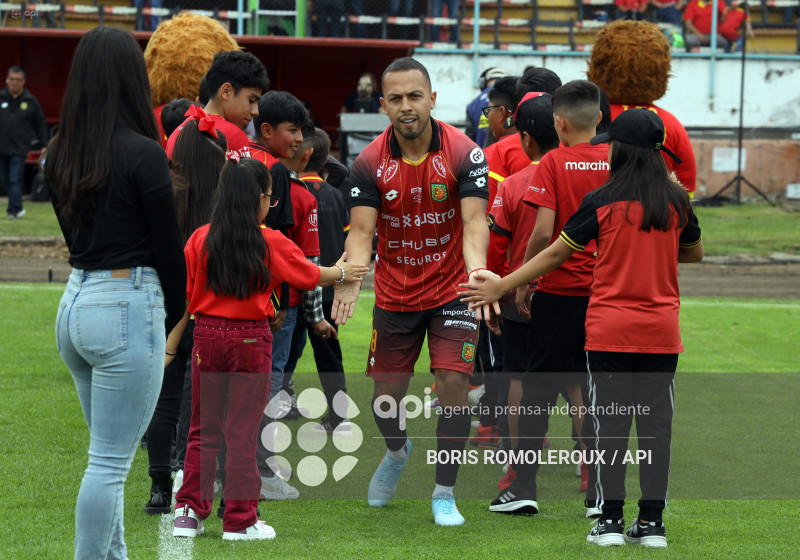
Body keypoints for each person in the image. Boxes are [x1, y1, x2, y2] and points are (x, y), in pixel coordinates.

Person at [460, 108, 703, 548]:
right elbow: (694, 252)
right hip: (661, 333)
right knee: (655, 429)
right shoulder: (676, 202)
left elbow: (554, 254)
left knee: (609, 425)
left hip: (610, 329)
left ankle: (609, 522)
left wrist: (502, 285)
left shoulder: (603, 200)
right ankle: (651, 525)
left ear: (620, 150)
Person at [45, 26, 186, 559]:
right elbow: (169, 252)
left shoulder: (59, 151)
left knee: (109, 456)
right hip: (127, 302)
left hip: (77, 302)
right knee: (108, 463)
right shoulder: (143, 153)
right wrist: (176, 316)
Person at [171, 157, 367, 541]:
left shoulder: (200, 237)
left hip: (206, 336)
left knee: (201, 430)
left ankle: (188, 513)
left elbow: (186, 295)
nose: (271, 203)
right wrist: (345, 271)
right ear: (258, 200)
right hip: (249, 339)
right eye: (269, 197)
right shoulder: (271, 241)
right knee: (243, 431)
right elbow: (312, 275)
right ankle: (240, 520)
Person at [332, 57, 490, 526]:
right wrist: (352, 278)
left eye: (414, 96)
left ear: (432, 99)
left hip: (452, 291)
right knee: (386, 397)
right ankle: (398, 452)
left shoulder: (465, 153)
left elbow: (473, 222)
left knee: (454, 386)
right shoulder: (367, 162)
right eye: (396, 98)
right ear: (383, 105)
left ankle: (444, 492)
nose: (406, 106)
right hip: (395, 296)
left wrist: (478, 273)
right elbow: (361, 234)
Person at [489, 80, 610, 518]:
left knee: (536, 390)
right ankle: (597, 491)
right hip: (602, 297)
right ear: (598, 119)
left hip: (557, 293)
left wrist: (522, 284)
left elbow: (543, 233)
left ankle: (523, 487)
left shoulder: (554, 162)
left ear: (559, 123)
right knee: (588, 391)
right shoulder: (616, 161)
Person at [143, 114, 228, 515]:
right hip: (212, 314)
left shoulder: (162, 195)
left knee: (165, 397)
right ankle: (199, 482)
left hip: (165, 304)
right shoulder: (225, 208)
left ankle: (161, 486)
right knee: (207, 405)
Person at [250, 91, 332, 500]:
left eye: (302, 131)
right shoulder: (291, 189)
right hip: (277, 307)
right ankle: (261, 469)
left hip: (233, 303)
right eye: (293, 130)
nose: (299, 138)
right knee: (271, 386)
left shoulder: (236, 162)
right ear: (268, 131)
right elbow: (299, 260)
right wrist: (288, 306)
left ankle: (224, 467)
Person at [485, 92, 559, 490]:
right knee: (578, 382)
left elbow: (497, 245)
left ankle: (517, 465)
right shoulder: (582, 175)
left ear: (525, 138)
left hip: (518, 292)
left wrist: (496, 292)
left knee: (516, 377)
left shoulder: (513, 184)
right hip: (572, 294)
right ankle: (589, 470)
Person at [282, 128, 352, 433]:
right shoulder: (336, 194)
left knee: (284, 355)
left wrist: (310, 150)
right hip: (328, 291)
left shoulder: (290, 192)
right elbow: (340, 170)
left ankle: (278, 407)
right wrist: (319, 153)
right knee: (329, 358)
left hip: (297, 290)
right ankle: (339, 419)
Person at [166, 50, 269, 161]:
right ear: (226, 91)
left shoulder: (180, 129)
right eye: (251, 100)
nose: (256, 111)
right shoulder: (234, 135)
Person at [1, 66, 48, 219]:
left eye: (17, 80)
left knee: (15, 179)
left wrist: (44, 145)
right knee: (5, 180)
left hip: (19, 148)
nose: (14, 83)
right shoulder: (1, 97)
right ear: (7, 80)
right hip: (1, 148)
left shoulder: (31, 101)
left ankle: (13, 211)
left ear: (24, 81)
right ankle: (19, 207)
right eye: (11, 79)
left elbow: (41, 124)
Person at [465, 67, 510, 148]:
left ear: (483, 83)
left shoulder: (472, 105)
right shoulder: (513, 98)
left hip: (481, 157)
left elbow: (469, 139)